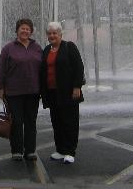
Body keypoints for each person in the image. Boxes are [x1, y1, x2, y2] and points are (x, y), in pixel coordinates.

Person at [0, 18, 43, 161]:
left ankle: (30, 151)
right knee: (16, 122)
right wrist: (0, 87)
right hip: (13, 92)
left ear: (31, 31)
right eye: (22, 28)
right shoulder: (8, 48)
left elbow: (43, 69)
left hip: (33, 92)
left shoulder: (37, 48)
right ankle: (16, 150)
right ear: (17, 30)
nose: (25, 31)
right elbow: (1, 69)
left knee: (30, 122)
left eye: (28, 29)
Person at [40, 21, 85, 164]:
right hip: (52, 92)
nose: (52, 35)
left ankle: (70, 151)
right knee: (56, 121)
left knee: (70, 121)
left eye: (55, 33)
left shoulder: (69, 47)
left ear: (60, 34)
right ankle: (60, 150)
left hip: (68, 92)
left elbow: (79, 67)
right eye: (50, 33)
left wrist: (77, 87)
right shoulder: (47, 50)